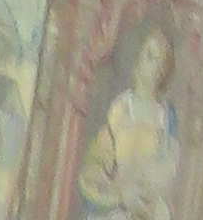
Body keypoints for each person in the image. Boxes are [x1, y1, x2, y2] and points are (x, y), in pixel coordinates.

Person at [73, 22, 181, 215]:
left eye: (162, 60)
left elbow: (169, 170)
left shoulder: (165, 116)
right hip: (121, 204)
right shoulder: (123, 108)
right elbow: (100, 159)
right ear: (137, 59)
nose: (157, 66)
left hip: (150, 208)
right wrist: (120, 193)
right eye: (150, 55)